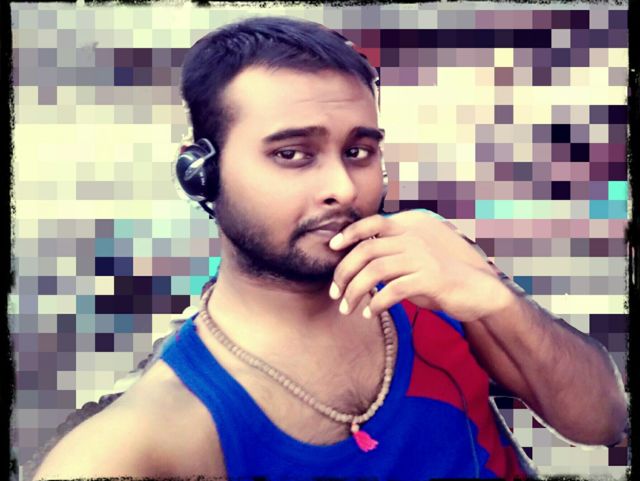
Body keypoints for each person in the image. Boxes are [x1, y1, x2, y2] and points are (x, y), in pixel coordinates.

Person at [33, 16, 627, 480]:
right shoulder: (158, 433)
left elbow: (602, 422)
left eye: (358, 151)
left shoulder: (428, 274)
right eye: (292, 154)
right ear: (202, 174)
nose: (343, 187)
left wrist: (496, 299)